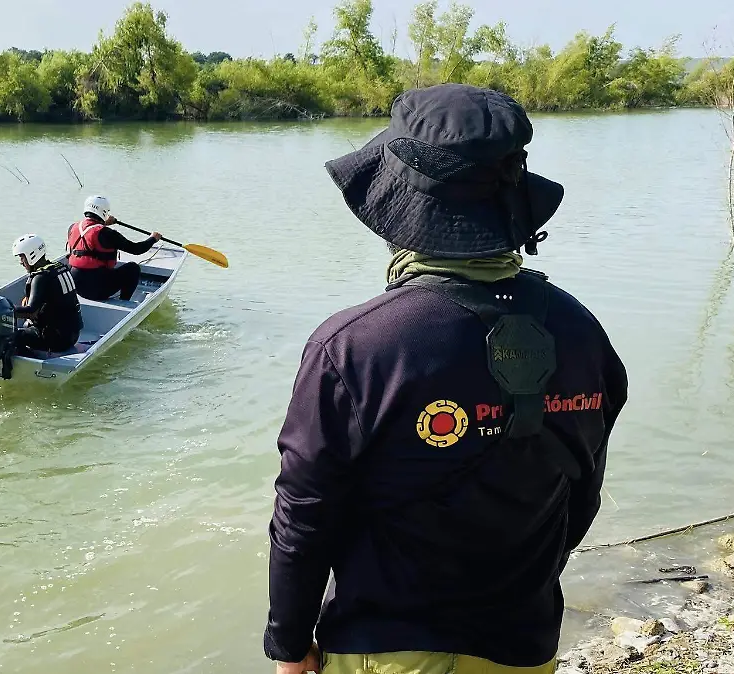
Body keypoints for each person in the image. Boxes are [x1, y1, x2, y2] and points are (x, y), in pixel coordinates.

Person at [263, 84, 628, 674]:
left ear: (399, 206)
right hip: (524, 645)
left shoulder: (354, 347)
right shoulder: (584, 333)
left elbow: (304, 514)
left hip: (388, 650)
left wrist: (289, 645)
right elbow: (581, 495)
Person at [66, 195, 162, 302]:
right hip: (98, 289)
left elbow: (89, 231)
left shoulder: (72, 227)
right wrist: (153, 238)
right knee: (133, 268)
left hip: (76, 286)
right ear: (104, 212)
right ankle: (124, 301)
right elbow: (136, 249)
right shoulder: (107, 233)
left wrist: (104, 223)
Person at [10, 234, 83, 355]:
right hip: (73, 334)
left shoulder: (40, 277)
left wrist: (3, 309)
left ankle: (30, 360)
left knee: (10, 336)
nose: (21, 262)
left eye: (22, 257)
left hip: (57, 340)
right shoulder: (60, 267)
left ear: (31, 255)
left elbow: (31, 312)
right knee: (26, 325)